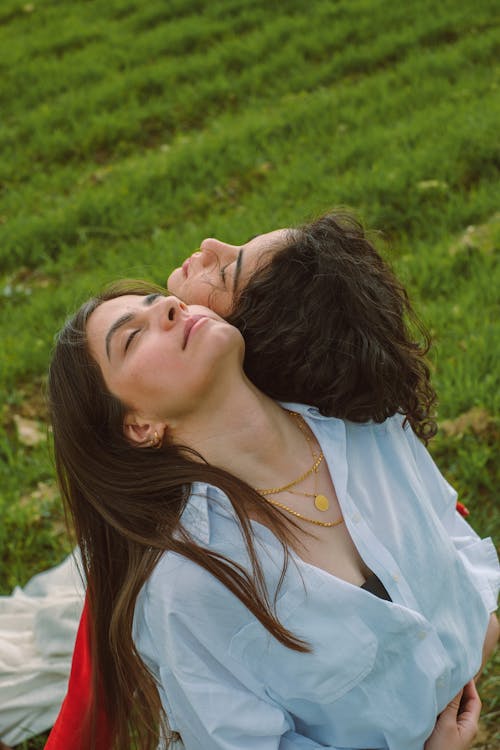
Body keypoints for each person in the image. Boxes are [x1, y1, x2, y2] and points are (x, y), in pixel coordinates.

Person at [3, 213, 498, 749]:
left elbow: (453, 537)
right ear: (140, 425)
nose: (170, 305)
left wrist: (474, 638)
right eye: (132, 339)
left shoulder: (365, 425)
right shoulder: (187, 586)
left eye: (159, 304)